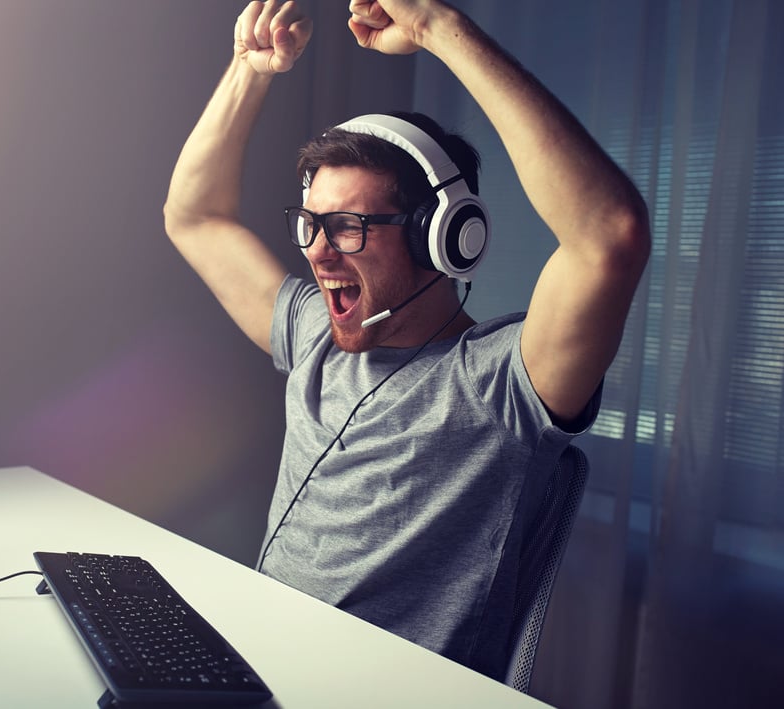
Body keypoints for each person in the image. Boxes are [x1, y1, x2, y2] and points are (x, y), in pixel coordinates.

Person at [163, 0, 649, 681]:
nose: (319, 254)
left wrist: (436, 30)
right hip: (253, 667)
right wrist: (248, 71)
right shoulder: (314, 337)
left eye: (349, 228)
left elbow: (609, 237)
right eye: (309, 224)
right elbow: (195, 217)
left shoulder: (504, 383)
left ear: (445, 237)